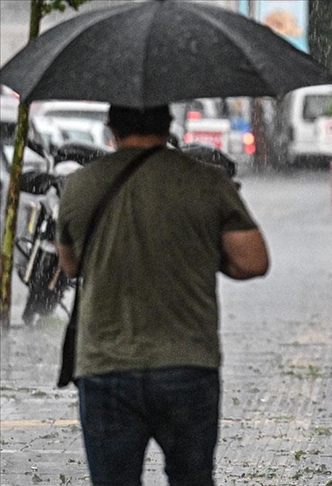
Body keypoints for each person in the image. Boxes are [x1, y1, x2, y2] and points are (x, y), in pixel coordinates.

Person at [56, 105, 269, 485]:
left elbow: (71, 266)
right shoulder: (207, 181)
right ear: (168, 126)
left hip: (106, 366)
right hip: (187, 363)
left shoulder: (80, 185)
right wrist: (201, 251)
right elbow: (252, 261)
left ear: (112, 130)